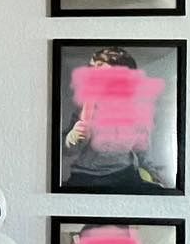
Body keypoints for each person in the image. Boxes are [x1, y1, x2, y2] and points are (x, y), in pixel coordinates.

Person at [61, 46, 153, 191]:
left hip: (125, 173)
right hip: (85, 176)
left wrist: (156, 175)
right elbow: (66, 150)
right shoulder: (85, 110)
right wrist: (71, 137)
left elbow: (143, 152)